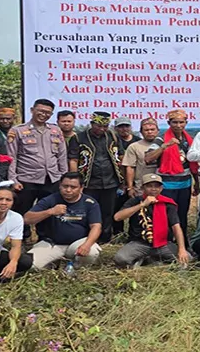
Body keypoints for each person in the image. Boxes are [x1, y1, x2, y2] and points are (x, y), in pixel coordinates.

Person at [7, 99, 68, 238]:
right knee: (22, 211)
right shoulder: (18, 131)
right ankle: (21, 240)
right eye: (41, 111)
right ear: (32, 110)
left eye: (48, 113)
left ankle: (45, 239)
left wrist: (64, 177)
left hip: (51, 178)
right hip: (26, 178)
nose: (44, 115)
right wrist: (13, 180)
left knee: (49, 211)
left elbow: (62, 155)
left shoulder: (55, 130)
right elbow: (11, 157)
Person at [24, 173, 101, 270]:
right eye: (65, 186)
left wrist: (87, 244)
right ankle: (55, 263)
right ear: (60, 186)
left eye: (73, 187)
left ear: (81, 188)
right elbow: (27, 219)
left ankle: (76, 267)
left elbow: (96, 227)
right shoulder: (50, 199)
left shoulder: (90, 203)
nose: (68, 190)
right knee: (31, 265)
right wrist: (50, 211)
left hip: (78, 243)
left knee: (92, 252)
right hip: (52, 244)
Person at [69, 111, 124, 242]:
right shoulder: (78, 138)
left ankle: (105, 240)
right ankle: (85, 239)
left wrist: (123, 179)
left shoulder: (113, 136)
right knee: (87, 211)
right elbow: (73, 160)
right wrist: (75, 180)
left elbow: (121, 156)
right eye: (98, 125)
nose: (101, 129)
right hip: (88, 183)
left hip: (110, 182)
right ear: (92, 123)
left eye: (105, 126)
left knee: (107, 212)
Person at [113, 174, 190, 268]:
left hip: (163, 244)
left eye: (157, 186)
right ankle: (148, 259)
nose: (153, 189)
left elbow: (176, 227)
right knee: (120, 259)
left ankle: (151, 260)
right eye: (150, 186)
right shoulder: (135, 201)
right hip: (139, 243)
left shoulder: (167, 203)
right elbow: (117, 217)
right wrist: (142, 205)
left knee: (187, 259)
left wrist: (181, 249)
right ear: (143, 188)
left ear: (161, 188)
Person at [145, 109, 199, 233]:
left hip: (185, 184)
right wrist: (165, 146)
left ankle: (183, 242)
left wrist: (197, 182)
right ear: (169, 123)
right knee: (166, 215)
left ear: (186, 122)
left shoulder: (189, 139)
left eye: (181, 122)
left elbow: (193, 163)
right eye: (175, 122)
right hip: (166, 186)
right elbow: (148, 158)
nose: (178, 125)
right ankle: (165, 242)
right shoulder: (161, 139)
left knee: (182, 215)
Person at [122, 118, 163, 198]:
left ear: (157, 131)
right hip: (141, 186)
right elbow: (130, 167)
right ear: (141, 132)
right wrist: (130, 187)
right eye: (146, 130)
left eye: (152, 129)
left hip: (161, 185)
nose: (150, 132)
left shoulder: (164, 144)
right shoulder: (134, 147)